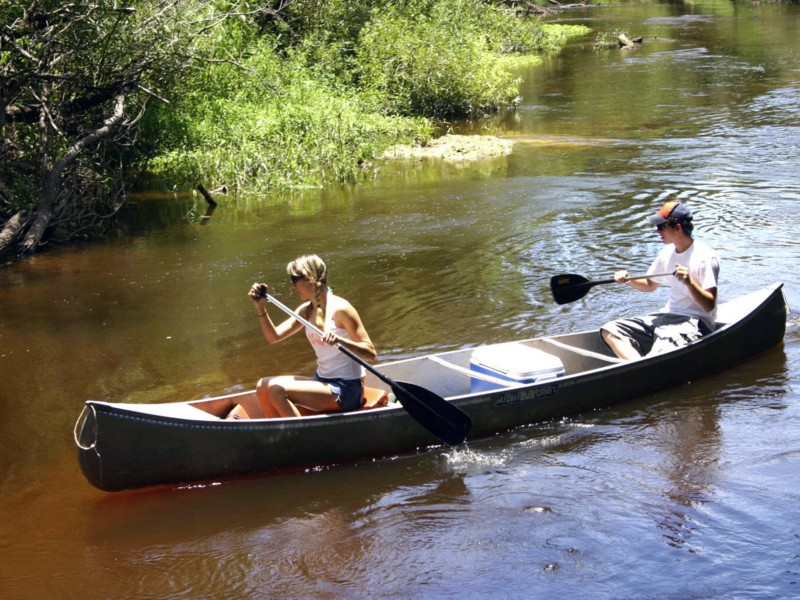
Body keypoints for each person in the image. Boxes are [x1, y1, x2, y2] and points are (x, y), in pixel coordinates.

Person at [247, 254, 377, 418]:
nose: (293, 285)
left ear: (309, 278)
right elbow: (273, 337)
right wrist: (260, 308)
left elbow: (370, 353)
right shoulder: (306, 310)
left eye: (294, 279)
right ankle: (280, 433)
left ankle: (299, 438)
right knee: (262, 386)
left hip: (346, 388)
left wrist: (339, 340)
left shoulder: (341, 309)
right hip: (322, 381)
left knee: (276, 389)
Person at [600, 200, 720, 360]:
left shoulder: (705, 256)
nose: (657, 232)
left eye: (660, 226)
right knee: (610, 330)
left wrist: (689, 283)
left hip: (695, 323)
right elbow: (649, 285)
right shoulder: (668, 252)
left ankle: (644, 368)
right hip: (667, 317)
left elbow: (709, 305)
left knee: (662, 349)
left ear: (677, 227)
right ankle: (638, 367)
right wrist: (628, 280)